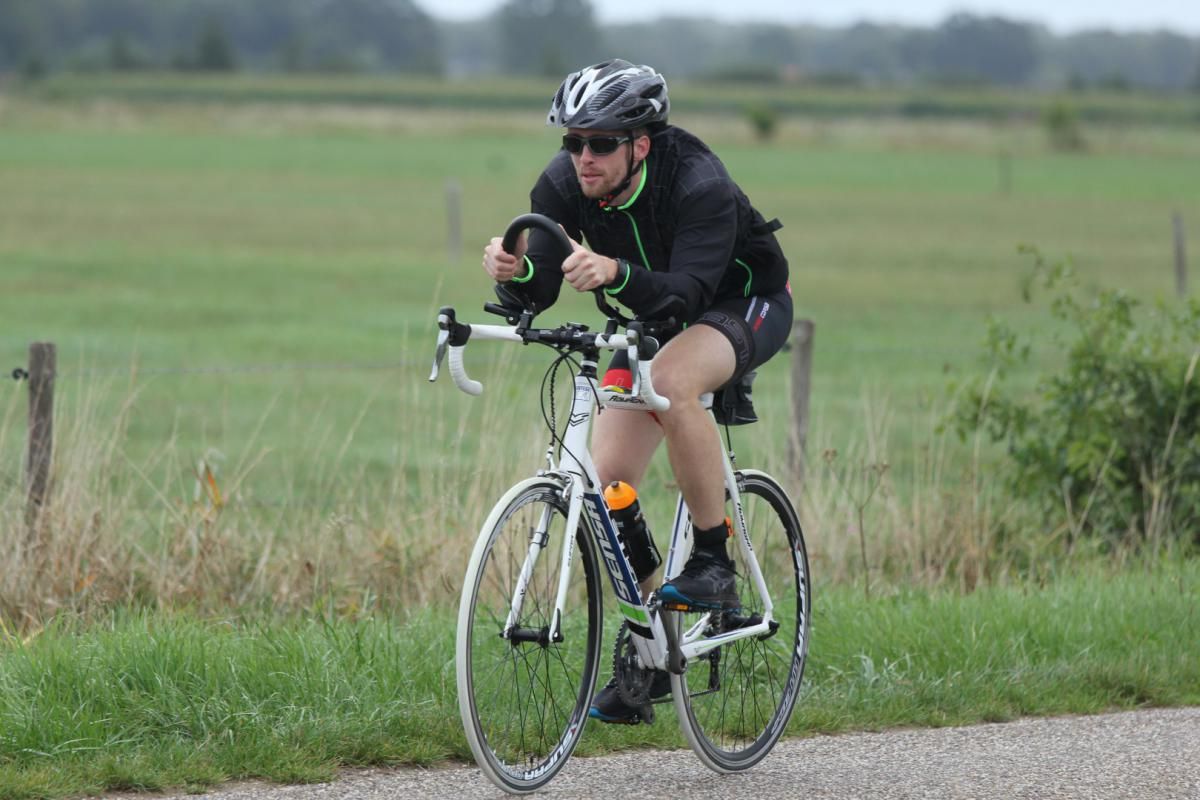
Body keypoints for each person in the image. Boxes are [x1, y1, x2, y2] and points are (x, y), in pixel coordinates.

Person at [481, 59, 793, 724]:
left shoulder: (698, 181)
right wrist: (515, 272)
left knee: (674, 380)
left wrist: (616, 270)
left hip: (742, 302)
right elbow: (539, 289)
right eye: (572, 142)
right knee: (608, 477)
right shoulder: (565, 184)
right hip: (652, 315)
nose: (581, 158)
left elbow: (689, 292)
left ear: (640, 145)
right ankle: (653, 642)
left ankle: (714, 559)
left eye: (598, 144)